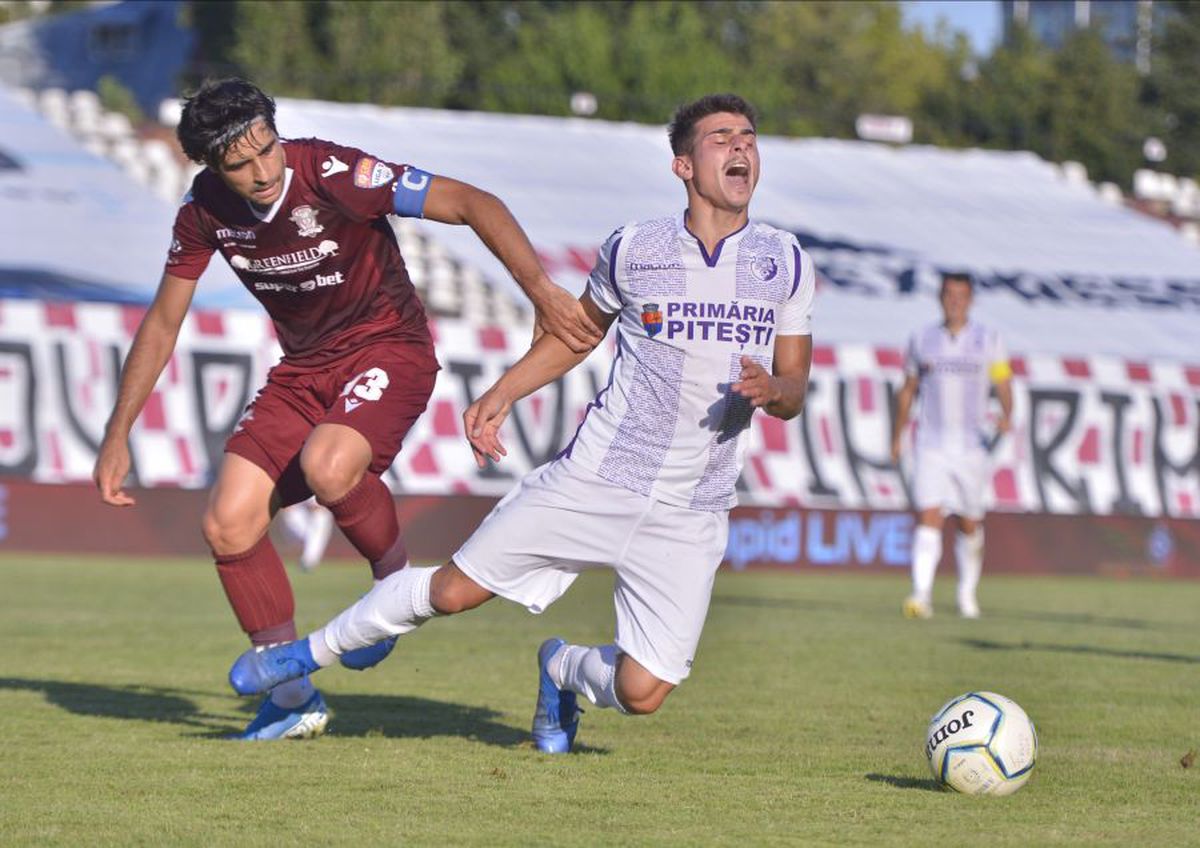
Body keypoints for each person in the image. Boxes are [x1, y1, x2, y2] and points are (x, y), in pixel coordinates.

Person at [226, 93, 815, 753]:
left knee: (643, 692)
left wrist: (775, 390)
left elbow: (795, 386)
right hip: (599, 477)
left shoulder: (786, 261)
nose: (741, 146)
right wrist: (503, 393)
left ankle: (561, 669)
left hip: (692, 507)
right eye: (721, 137)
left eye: (748, 137)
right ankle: (304, 655)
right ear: (683, 165)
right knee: (453, 591)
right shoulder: (635, 248)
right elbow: (578, 334)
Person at [92, 78, 600, 741]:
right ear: (210, 166)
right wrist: (118, 432)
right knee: (228, 523)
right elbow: (163, 323)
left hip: (391, 349)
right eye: (240, 164)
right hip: (303, 371)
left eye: (268, 149)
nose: (263, 171)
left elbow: (474, 202)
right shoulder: (202, 212)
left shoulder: (331, 171)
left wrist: (541, 292)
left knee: (330, 466)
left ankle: (392, 587)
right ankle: (291, 697)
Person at [890, 271, 1013, 620]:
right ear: (940, 298)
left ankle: (966, 594)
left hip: (972, 446)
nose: (955, 302)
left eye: (961, 296)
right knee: (928, 514)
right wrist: (897, 435)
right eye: (949, 295)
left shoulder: (989, 340)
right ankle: (920, 595)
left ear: (971, 300)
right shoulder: (922, 339)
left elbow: (1003, 382)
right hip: (931, 443)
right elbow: (908, 390)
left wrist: (1007, 414)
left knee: (968, 522)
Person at [278, 498, 335, 572]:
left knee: (321, 518)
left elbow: (318, 507)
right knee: (313, 534)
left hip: (316, 508)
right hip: (297, 506)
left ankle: (309, 560)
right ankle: (308, 559)